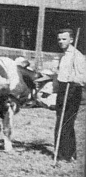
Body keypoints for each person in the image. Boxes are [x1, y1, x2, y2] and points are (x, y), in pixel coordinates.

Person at [54, 28, 86, 162]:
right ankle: (69, 154)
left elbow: (83, 78)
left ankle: (64, 156)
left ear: (71, 40)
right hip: (62, 89)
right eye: (59, 39)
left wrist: (72, 78)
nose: (61, 42)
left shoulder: (77, 56)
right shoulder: (64, 55)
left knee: (66, 123)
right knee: (61, 122)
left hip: (72, 91)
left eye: (64, 39)